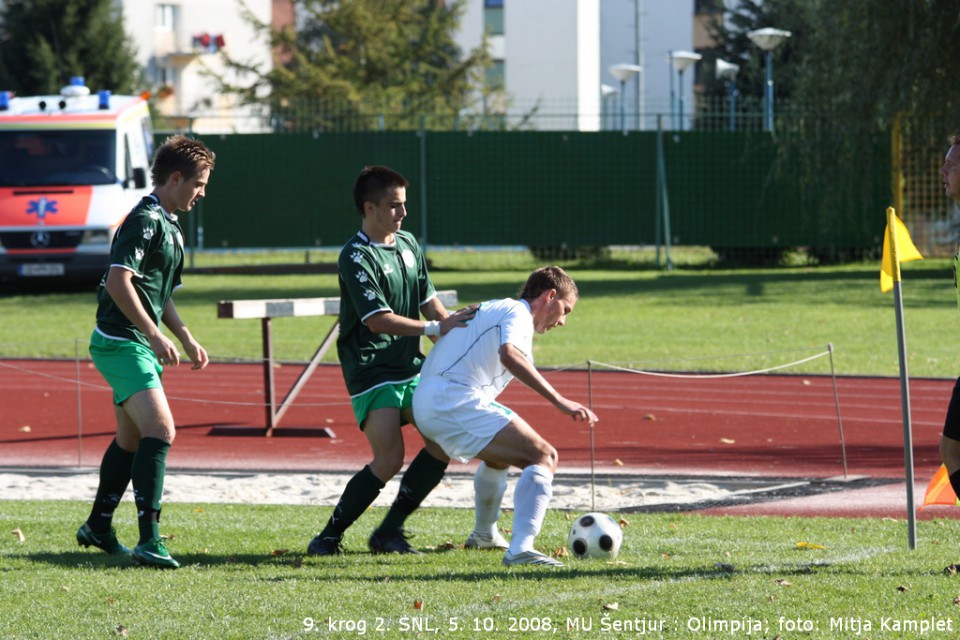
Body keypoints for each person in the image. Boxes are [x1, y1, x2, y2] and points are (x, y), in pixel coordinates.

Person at [307, 165, 481, 556]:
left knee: (442, 443)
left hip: (410, 366)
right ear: (369, 208)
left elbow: (427, 299)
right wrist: (435, 330)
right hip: (371, 369)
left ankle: (389, 532)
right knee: (389, 458)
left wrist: (452, 331)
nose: (402, 214)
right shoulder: (355, 255)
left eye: (404, 205)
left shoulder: (407, 244)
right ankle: (328, 537)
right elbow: (376, 319)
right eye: (394, 206)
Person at [76, 134, 215, 569]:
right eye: (199, 183)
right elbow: (119, 282)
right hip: (120, 341)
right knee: (161, 430)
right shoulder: (145, 220)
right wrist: (155, 336)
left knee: (131, 439)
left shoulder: (168, 222)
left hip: (134, 340)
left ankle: (98, 526)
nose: (202, 193)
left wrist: (185, 334)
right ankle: (150, 539)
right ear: (176, 178)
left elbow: (158, 291)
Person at [412, 266, 599, 567]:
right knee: (544, 456)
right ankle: (520, 549)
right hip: (451, 399)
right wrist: (560, 400)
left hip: (433, 399)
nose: (562, 321)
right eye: (565, 310)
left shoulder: (495, 308)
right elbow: (509, 355)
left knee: (499, 457)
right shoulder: (517, 312)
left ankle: (484, 534)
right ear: (550, 296)